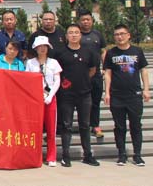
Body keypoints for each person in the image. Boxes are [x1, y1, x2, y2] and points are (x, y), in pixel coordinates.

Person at [104, 24, 150, 166]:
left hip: (134, 95)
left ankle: (137, 155)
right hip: (117, 96)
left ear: (128, 35)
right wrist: (107, 92)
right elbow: (108, 73)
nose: (120, 37)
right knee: (119, 127)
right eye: (117, 34)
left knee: (136, 126)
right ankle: (122, 154)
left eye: (122, 34)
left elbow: (143, 70)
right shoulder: (111, 53)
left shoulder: (137, 51)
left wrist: (146, 89)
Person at [54, 24, 99, 167]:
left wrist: (82, 81)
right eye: (70, 32)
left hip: (84, 94)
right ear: (66, 36)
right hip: (66, 94)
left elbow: (92, 70)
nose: (73, 35)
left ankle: (88, 155)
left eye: (76, 32)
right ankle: (65, 156)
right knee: (66, 125)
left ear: (80, 35)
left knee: (85, 125)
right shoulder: (60, 53)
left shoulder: (88, 52)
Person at [25, 36, 61, 167]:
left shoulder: (53, 62)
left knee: (51, 129)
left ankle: (51, 157)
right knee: (36, 129)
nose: (42, 48)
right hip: (36, 99)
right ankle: (36, 156)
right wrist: (37, 94)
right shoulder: (30, 63)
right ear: (35, 48)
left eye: (44, 46)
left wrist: (50, 96)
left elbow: (57, 81)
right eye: (39, 46)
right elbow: (27, 80)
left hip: (50, 98)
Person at [78, 10, 107, 139]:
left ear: (92, 21)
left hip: (96, 74)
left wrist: (105, 67)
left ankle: (95, 125)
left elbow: (103, 51)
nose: (85, 22)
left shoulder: (97, 35)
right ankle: (83, 125)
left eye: (88, 19)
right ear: (79, 21)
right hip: (80, 75)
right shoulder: (76, 34)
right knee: (81, 102)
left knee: (95, 101)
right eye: (83, 20)